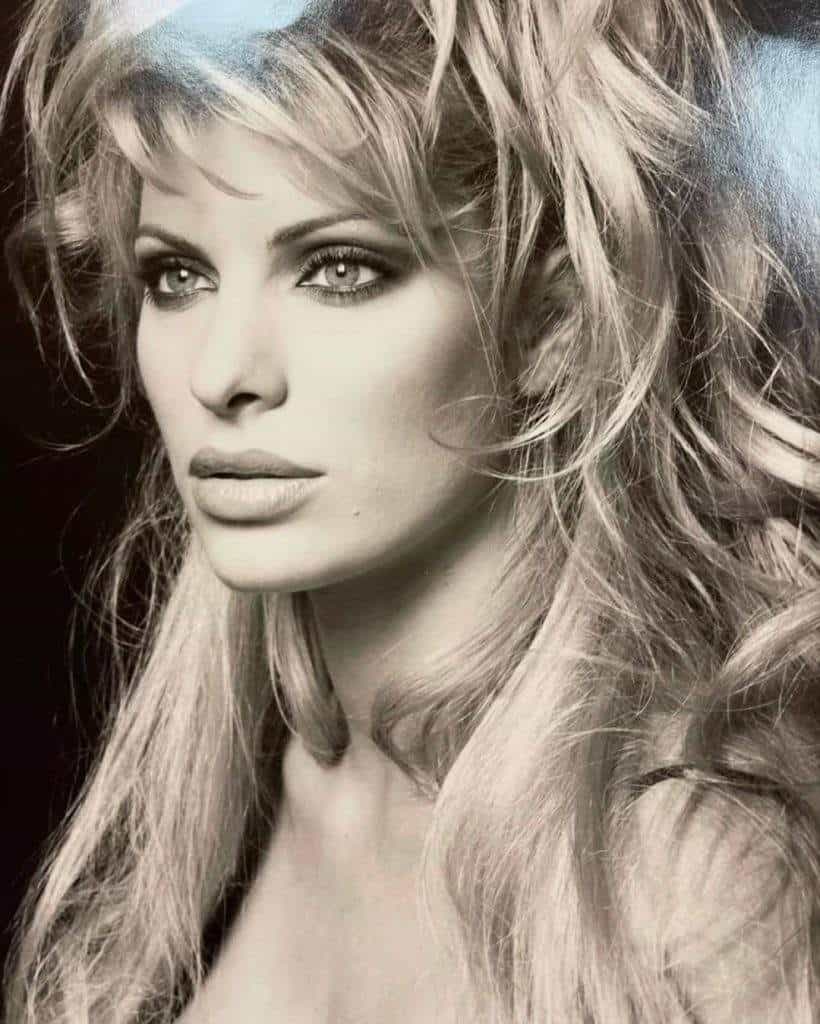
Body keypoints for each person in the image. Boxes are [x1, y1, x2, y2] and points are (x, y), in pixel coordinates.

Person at [2, 0, 818, 1020]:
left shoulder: (689, 879)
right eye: (178, 275)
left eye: (339, 269)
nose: (221, 372)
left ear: (554, 323)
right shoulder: (212, 815)